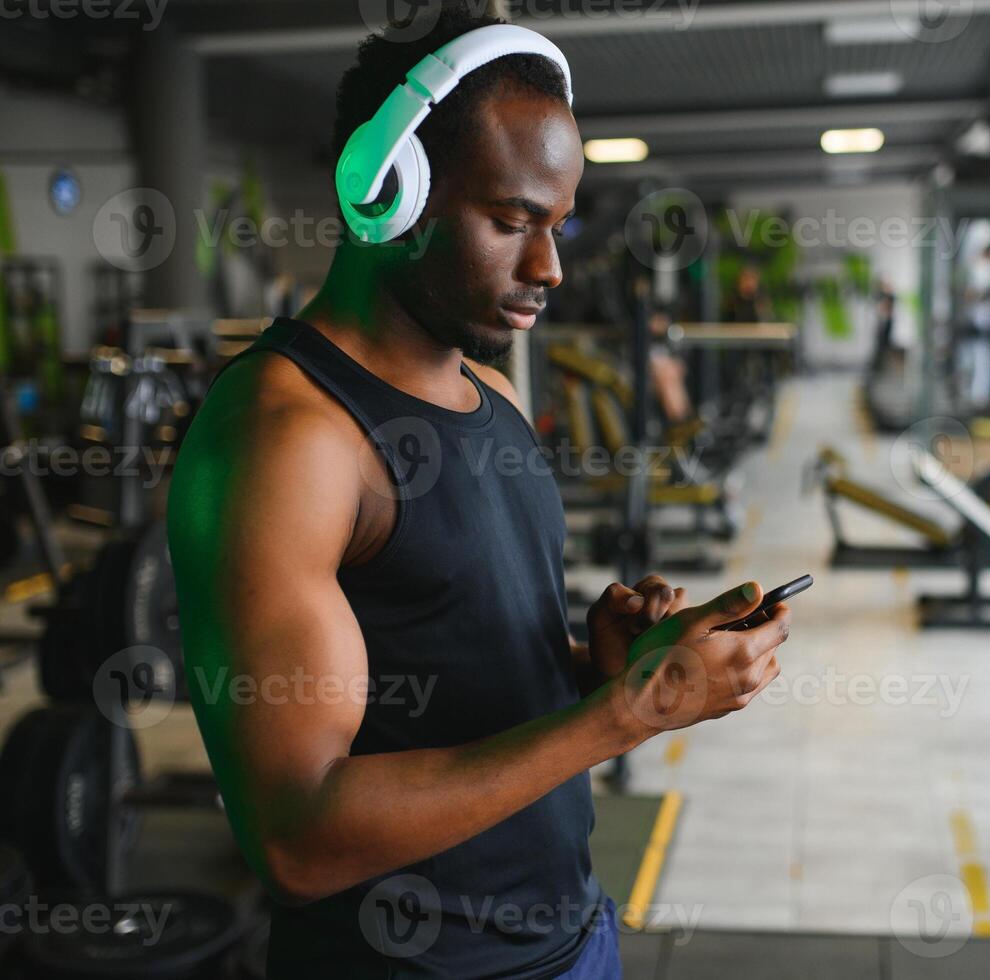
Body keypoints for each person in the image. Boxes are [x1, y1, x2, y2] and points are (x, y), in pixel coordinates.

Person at [168, 10, 792, 978]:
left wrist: (600, 669)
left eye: (558, 224)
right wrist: (626, 714)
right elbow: (296, 837)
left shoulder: (490, 393)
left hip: (573, 937)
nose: (548, 267)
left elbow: (459, 682)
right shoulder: (289, 441)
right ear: (388, 195)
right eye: (511, 221)